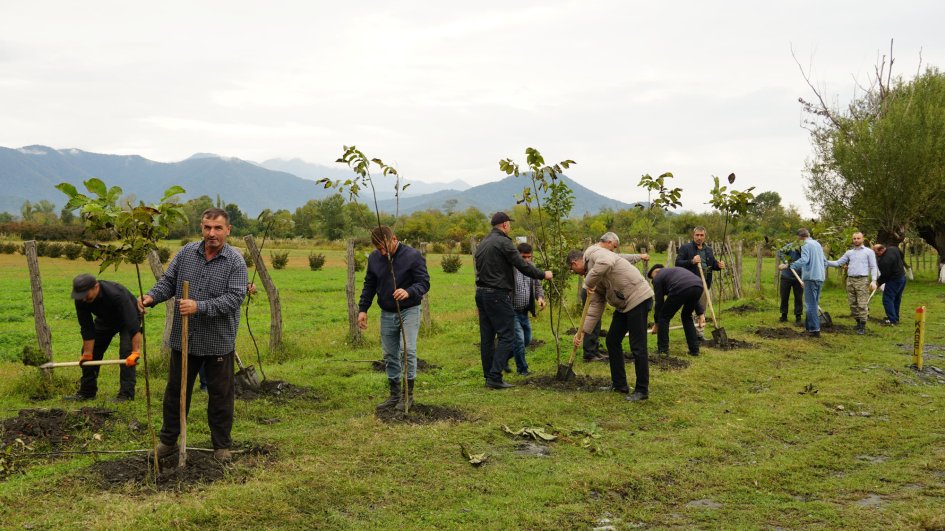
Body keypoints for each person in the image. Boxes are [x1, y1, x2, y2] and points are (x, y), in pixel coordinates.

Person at [139, 208, 247, 461]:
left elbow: (234, 298)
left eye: (218, 228)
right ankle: (168, 442)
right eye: (207, 227)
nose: (212, 233)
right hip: (184, 340)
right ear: (202, 228)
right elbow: (168, 281)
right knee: (176, 393)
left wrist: (199, 306)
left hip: (218, 342)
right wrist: (151, 297)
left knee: (220, 396)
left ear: (228, 230)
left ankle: (221, 446)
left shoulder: (235, 261)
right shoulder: (187, 253)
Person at [474, 212, 552, 389]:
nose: (509, 226)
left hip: (481, 293)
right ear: (504, 225)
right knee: (508, 335)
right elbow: (522, 265)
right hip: (497, 294)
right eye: (509, 223)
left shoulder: (483, 244)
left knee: (487, 337)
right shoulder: (504, 242)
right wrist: (543, 274)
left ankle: (489, 375)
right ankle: (494, 376)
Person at [568, 245, 653, 402]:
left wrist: (588, 283)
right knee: (612, 340)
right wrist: (582, 332)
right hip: (624, 304)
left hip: (638, 298)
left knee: (638, 346)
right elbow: (595, 306)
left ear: (575, 263)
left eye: (572, 270)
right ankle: (619, 384)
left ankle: (642, 390)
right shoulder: (592, 275)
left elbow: (607, 262)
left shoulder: (594, 253)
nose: (575, 273)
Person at [358, 226, 430, 409]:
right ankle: (394, 394)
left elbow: (424, 283)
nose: (382, 253)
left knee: (408, 350)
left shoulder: (413, 256)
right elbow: (369, 284)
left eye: (384, 248)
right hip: (387, 312)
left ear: (394, 239)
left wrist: (408, 292)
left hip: (409, 310)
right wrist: (363, 309)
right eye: (378, 249)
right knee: (389, 354)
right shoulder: (375, 259)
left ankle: (408, 395)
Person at [66, 274, 143, 401]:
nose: (83, 299)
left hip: (128, 319)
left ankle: (126, 395)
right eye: (80, 296)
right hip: (105, 320)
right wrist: (87, 353)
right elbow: (87, 327)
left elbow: (133, 325)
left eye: (86, 295)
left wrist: (135, 352)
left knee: (126, 353)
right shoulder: (81, 299)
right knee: (91, 354)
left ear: (96, 287)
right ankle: (87, 392)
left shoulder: (116, 294)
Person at [579, 232, 648, 362]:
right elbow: (609, 261)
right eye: (614, 246)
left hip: (632, 296)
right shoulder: (596, 252)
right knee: (595, 321)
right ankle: (590, 352)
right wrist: (589, 283)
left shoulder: (603, 254)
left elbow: (618, 258)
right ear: (609, 242)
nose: (614, 250)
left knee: (598, 324)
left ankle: (592, 351)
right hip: (594, 291)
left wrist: (638, 257)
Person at [675, 227, 725, 339]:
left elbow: (712, 264)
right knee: (691, 310)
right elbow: (677, 263)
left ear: (704, 236)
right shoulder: (686, 248)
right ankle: (691, 334)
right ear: (693, 235)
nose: (699, 237)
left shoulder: (708, 250)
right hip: (691, 285)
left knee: (702, 309)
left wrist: (719, 265)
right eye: (697, 235)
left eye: (701, 235)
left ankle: (699, 334)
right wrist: (692, 261)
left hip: (705, 284)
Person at [826, 232, 877, 335]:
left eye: (858, 238)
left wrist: (874, 280)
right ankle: (858, 323)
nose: (856, 240)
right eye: (854, 238)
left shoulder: (868, 252)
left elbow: (873, 266)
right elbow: (838, 263)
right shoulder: (849, 253)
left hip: (862, 280)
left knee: (862, 304)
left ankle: (862, 326)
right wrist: (823, 261)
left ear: (862, 239)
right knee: (853, 304)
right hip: (850, 280)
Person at [647, 265, 704, 357]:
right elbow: (690, 286)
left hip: (681, 287)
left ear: (656, 272)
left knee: (663, 317)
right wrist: (700, 313)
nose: (653, 280)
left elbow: (659, 303)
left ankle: (663, 351)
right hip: (698, 285)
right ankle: (694, 350)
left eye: (652, 277)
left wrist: (657, 323)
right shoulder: (673, 272)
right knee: (686, 316)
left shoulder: (658, 277)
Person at [779, 228, 826, 337]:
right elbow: (824, 261)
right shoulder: (817, 244)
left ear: (800, 237)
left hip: (810, 277)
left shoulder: (805, 245)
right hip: (820, 277)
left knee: (810, 305)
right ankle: (809, 328)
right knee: (814, 303)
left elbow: (804, 260)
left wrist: (789, 265)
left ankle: (814, 330)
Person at [509, 242, 544, 376]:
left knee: (527, 339)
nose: (527, 260)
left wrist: (540, 298)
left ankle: (502, 358)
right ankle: (522, 369)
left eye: (529, 257)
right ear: (517, 256)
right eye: (524, 257)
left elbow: (537, 285)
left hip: (524, 311)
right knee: (519, 340)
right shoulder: (510, 269)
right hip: (512, 311)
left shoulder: (532, 268)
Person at [873, 243, 907, 325]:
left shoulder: (884, 261)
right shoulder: (893, 248)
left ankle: (892, 320)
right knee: (896, 298)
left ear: (881, 250)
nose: (875, 255)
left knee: (887, 299)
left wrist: (878, 283)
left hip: (894, 280)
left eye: (876, 253)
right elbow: (902, 255)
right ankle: (895, 317)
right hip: (902, 277)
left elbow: (885, 275)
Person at [776, 242, 803, 324]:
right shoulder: (791, 246)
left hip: (799, 277)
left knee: (798, 297)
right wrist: (786, 261)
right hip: (786, 276)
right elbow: (780, 251)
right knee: (784, 296)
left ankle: (798, 316)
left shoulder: (807, 248)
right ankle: (784, 315)